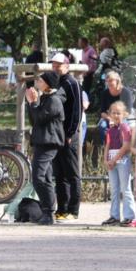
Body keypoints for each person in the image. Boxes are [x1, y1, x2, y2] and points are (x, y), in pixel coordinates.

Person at [25, 71, 65, 225]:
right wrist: (32, 103)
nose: (38, 82)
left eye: (40, 80)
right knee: (46, 177)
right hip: (42, 141)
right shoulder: (45, 98)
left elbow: (40, 118)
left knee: (38, 177)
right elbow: (34, 119)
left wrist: (33, 103)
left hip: (49, 142)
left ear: (48, 83)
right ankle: (48, 212)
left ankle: (49, 210)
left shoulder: (54, 100)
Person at [50, 52, 83, 220]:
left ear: (67, 66)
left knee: (71, 173)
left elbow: (77, 110)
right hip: (56, 134)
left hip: (68, 134)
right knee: (59, 173)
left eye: (59, 65)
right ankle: (61, 208)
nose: (55, 68)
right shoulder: (55, 81)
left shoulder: (72, 83)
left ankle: (73, 209)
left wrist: (71, 132)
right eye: (53, 65)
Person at [101, 100, 135, 226]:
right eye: (113, 113)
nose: (116, 115)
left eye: (118, 113)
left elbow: (126, 145)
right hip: (111, 160)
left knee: (125, 188)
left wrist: (114, 160)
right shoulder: (111, 129)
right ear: (109, 114)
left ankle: (130, 216)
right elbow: (108, 145)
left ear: (124, 114)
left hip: (122, 160)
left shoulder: (125, 127)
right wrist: (106, 160)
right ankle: (114, 216)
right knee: (114, 189)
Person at [97, 70, 135, 141]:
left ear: (117, 81)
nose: (108, 83)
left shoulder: (126, 93)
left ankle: (123, 146)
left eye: (111, 80)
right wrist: (111, 119)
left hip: (124, 118)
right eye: (107, 81)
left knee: (124, 126)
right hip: (109, 118)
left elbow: (128, 112)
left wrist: (118, 121)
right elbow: (102, 112)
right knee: (102, 126)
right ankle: (107, 146)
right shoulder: (104, 94)